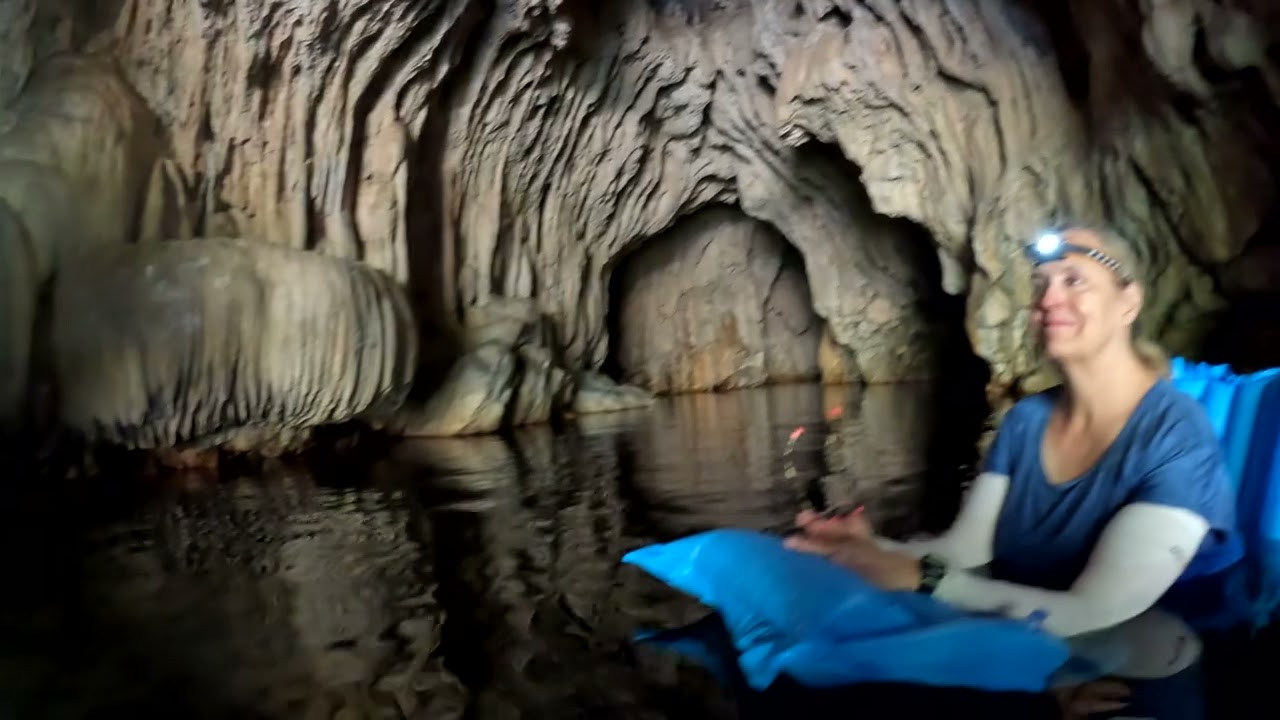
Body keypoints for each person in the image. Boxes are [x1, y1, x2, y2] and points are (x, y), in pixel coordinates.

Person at [784, 224, 1240, 719]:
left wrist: (920, 577)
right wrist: (870, 549)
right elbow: (965, 553)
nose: (1049, 298)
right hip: (1040, 653)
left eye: (1074, 280)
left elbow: (1099, 611)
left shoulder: (1175, 433)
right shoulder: (1026, 421)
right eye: (1041, 284)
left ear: (1128, 302)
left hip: (1141, 673)